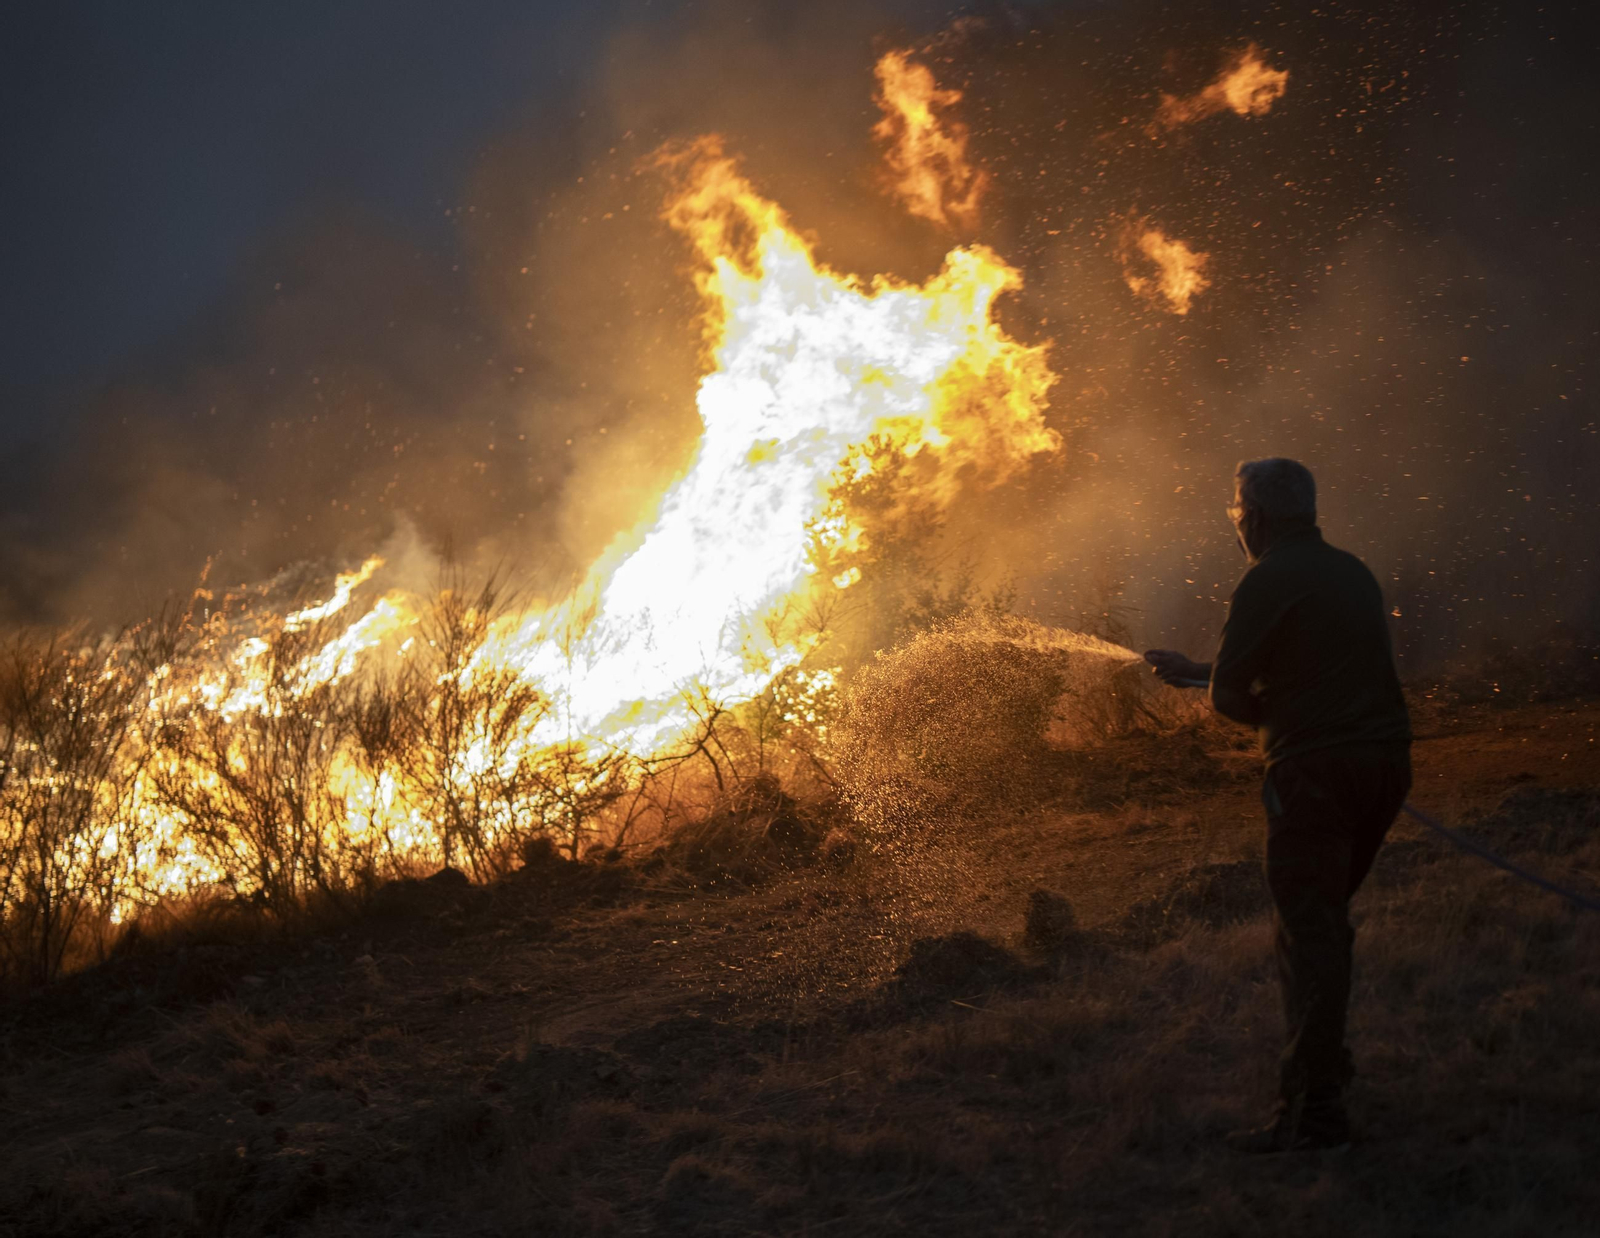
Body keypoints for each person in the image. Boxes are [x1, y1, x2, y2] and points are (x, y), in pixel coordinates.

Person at [1145, 457, 1411, 1153]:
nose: (1237, 527)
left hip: (1315, 777)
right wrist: (1203, 670)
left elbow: (1234, 699)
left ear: (1255, 517)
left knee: (1308, 938)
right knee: (1326, 926)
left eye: (1237, 515)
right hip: (1382, 770)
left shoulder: (1265, 578)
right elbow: (1313, 662)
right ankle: (1328, 1068)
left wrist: (1229, 693)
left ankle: (1313, 1114)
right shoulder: (1350, 571)